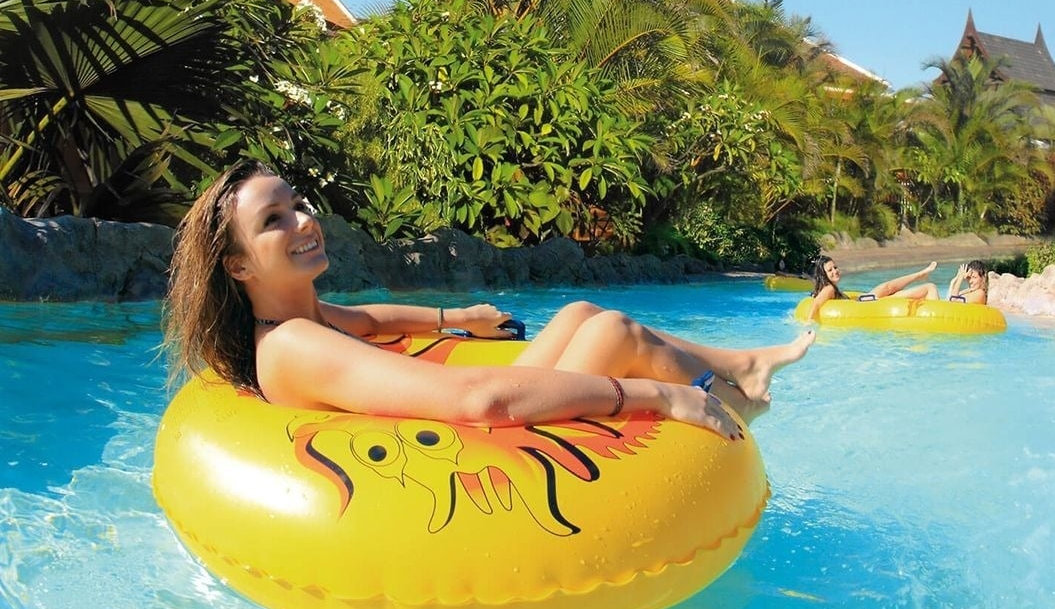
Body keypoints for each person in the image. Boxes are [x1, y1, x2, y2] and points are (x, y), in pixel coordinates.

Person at [162, 160, 817, 440]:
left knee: (578, 315)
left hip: (455, 417)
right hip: (472, 440)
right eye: (273, 220)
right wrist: (661, 396)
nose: (304, 221)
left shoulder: (299, 318)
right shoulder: (295, 344)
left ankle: (740, 360)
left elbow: (373, 319)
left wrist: (458, 318)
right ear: (238, 263)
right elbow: (478, 401)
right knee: (614, 330)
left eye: (298, 204)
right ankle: (732, 402)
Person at [804, 255, 939, 322]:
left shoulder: (829, 288)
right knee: (929, 287)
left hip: (862, 301)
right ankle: (921, 275)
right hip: (867, 305)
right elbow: (816, 304)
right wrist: (808, 324)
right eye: (830, 270)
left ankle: (921, 274)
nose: (835, 271)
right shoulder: (829, 289)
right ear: (824, 275)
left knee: (887, 286)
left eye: (835, 267)